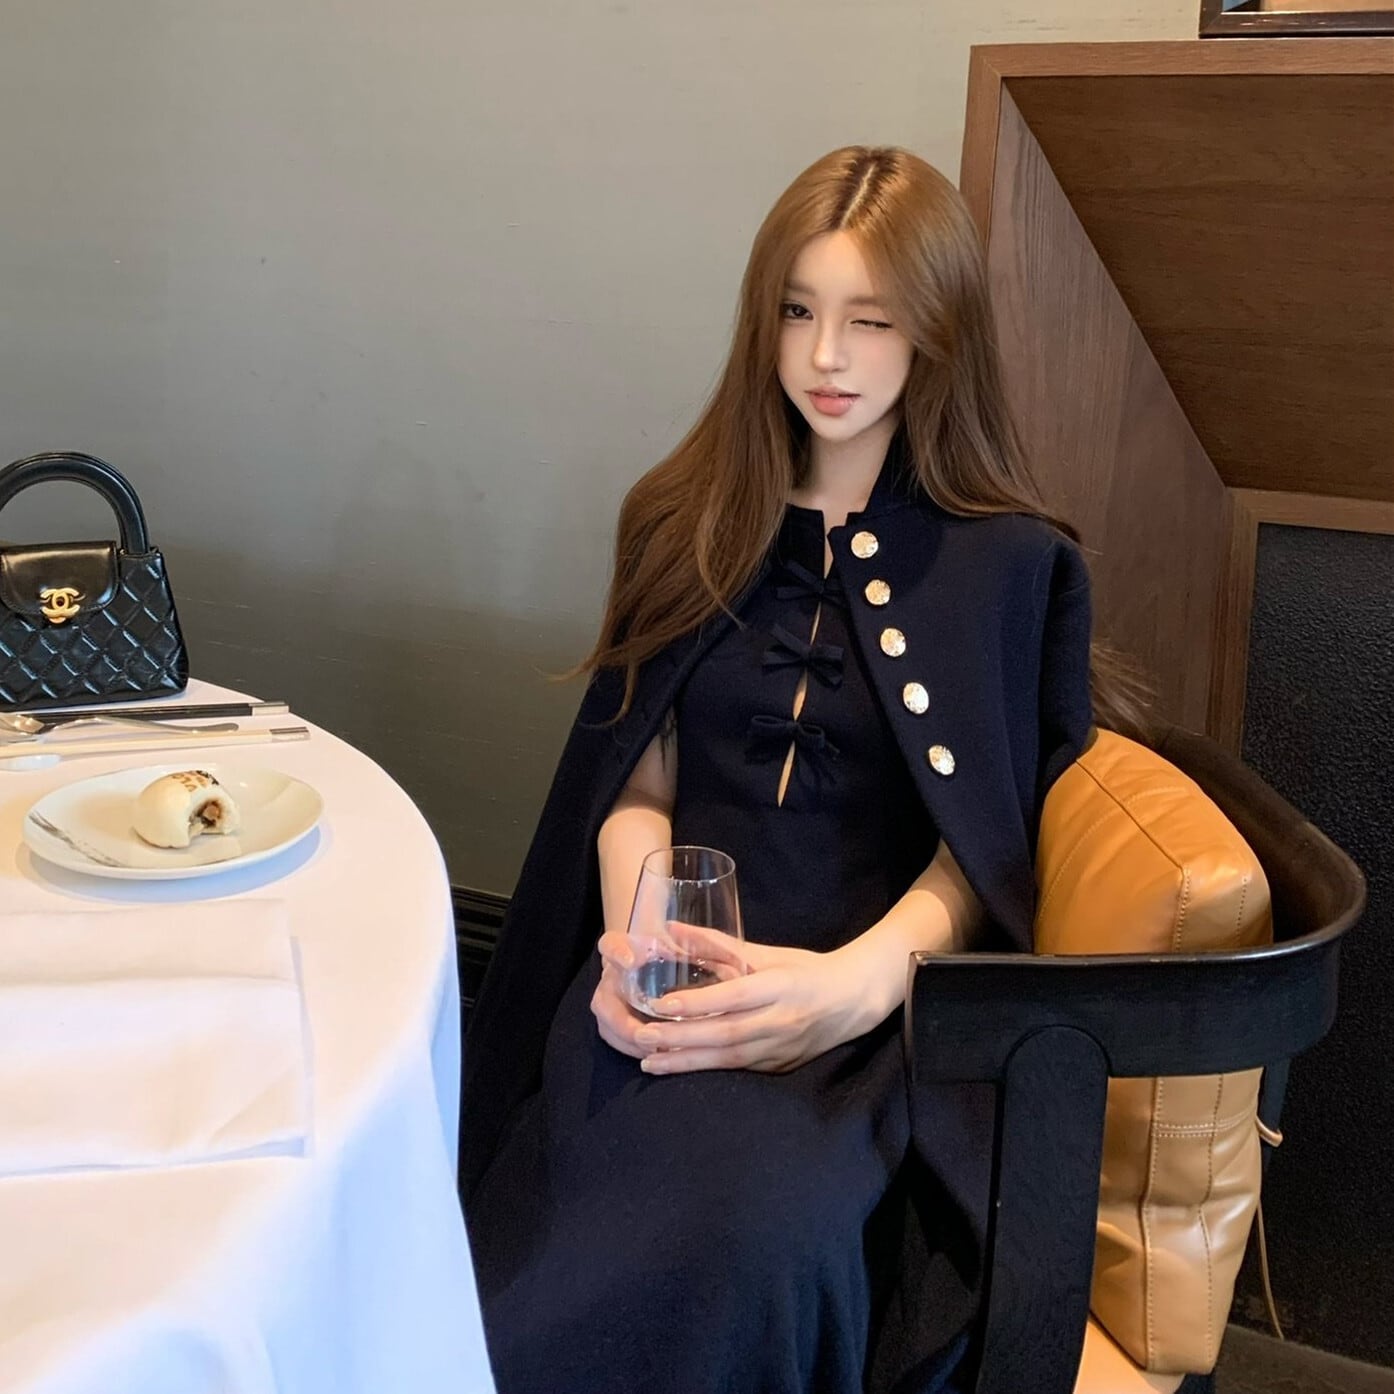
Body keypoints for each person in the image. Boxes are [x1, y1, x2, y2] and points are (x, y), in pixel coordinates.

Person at [462, 145, 1138, 1394]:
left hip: (864, 1024)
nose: (826, 356)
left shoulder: (1011, 565)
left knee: (759, 1240)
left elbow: (979, 852)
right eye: (796, 311)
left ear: (935, 329)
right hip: (662, 979)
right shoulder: (680, 518)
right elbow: (637, 780)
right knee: (573, 1228)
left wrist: (848, 988)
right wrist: (640, 946)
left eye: (869, 320)